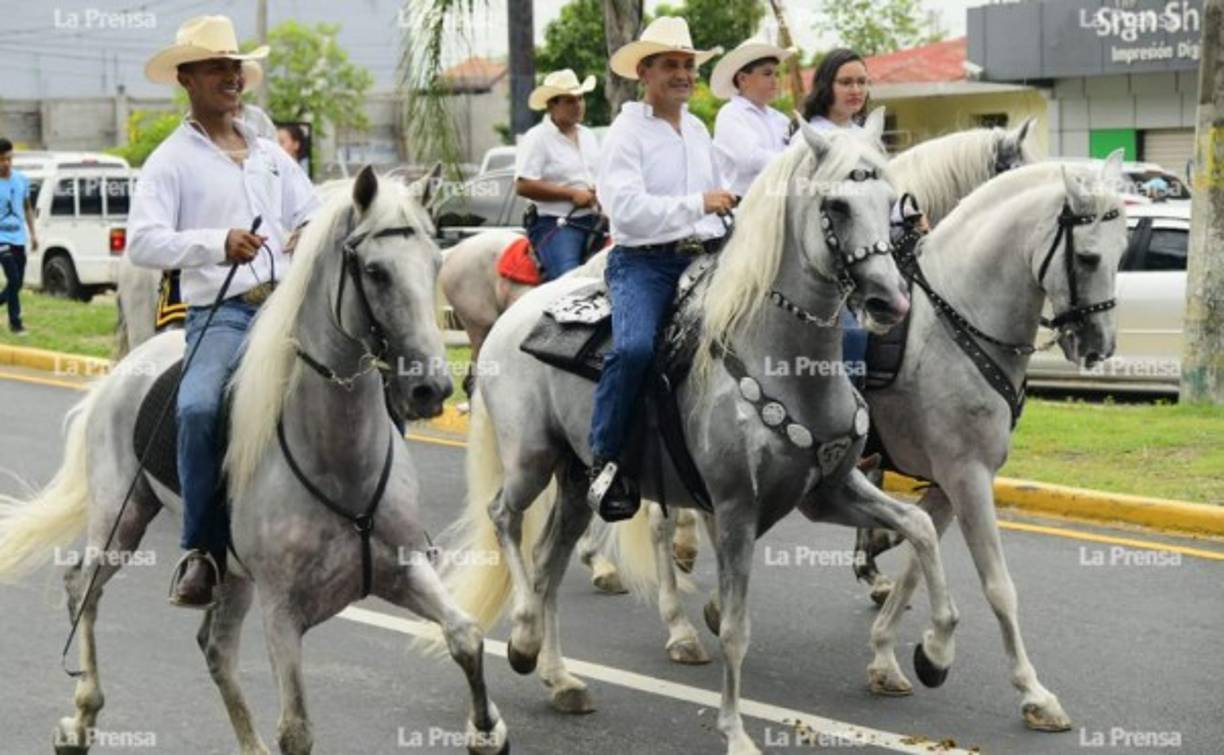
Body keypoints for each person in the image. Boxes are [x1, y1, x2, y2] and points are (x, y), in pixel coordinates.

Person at [128, 15, 319, 609]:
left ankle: (395, 524)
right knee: (198, 406)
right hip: (224, 314)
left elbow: (310, 210)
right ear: (186, 77)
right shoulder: (170, 161)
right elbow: (143, 242)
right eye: (217, 66)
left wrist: (306, 231)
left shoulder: (269, 155)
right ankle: (200, 551)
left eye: (235, 66)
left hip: (287, 309)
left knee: (368, 378)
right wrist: (217, 243)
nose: (231, 76)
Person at [587, 17, 733, 522]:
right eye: (670, 64)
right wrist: (699, 203)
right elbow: (625, 211)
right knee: (634, 349)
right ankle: (605, 461)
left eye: (688, 65)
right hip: (642, 263)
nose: (682, 74)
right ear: (643, 73)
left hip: (703, 256)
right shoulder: (625, 132)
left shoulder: (697, 128)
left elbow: (717, 205)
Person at [514, 69, 604, 280]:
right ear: (551, 105)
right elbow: (523, 185)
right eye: (570, 101)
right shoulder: (537, 138)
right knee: (569, 282)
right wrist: (571, 194)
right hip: (555, 223)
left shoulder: (589, 136)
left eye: (581, 99)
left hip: (595, 219)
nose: (579, 105)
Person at [710, 39, 796, 199]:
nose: (775, 80)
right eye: (767, 73)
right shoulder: (730, 114)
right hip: (741, 209)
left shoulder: (781, 119)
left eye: (776, 74)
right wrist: (796, 162)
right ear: (743, 79)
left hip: (776, 206)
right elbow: (750, 159)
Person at [0, 137, 37, 335]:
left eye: (8, 159)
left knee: (18, 283)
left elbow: (27, 208)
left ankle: (14, 323)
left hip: (19, 238)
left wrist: (33, 234)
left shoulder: (21, 179)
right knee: (13, 278)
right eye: (1, 159)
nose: (5, 163)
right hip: (1, 239)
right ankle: (16, 323)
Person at [802, 48, 871, 131]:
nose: (856, 90)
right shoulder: (810, 136)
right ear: (825, 85)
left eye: (862, 82)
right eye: (846, 82)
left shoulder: (863, 134)